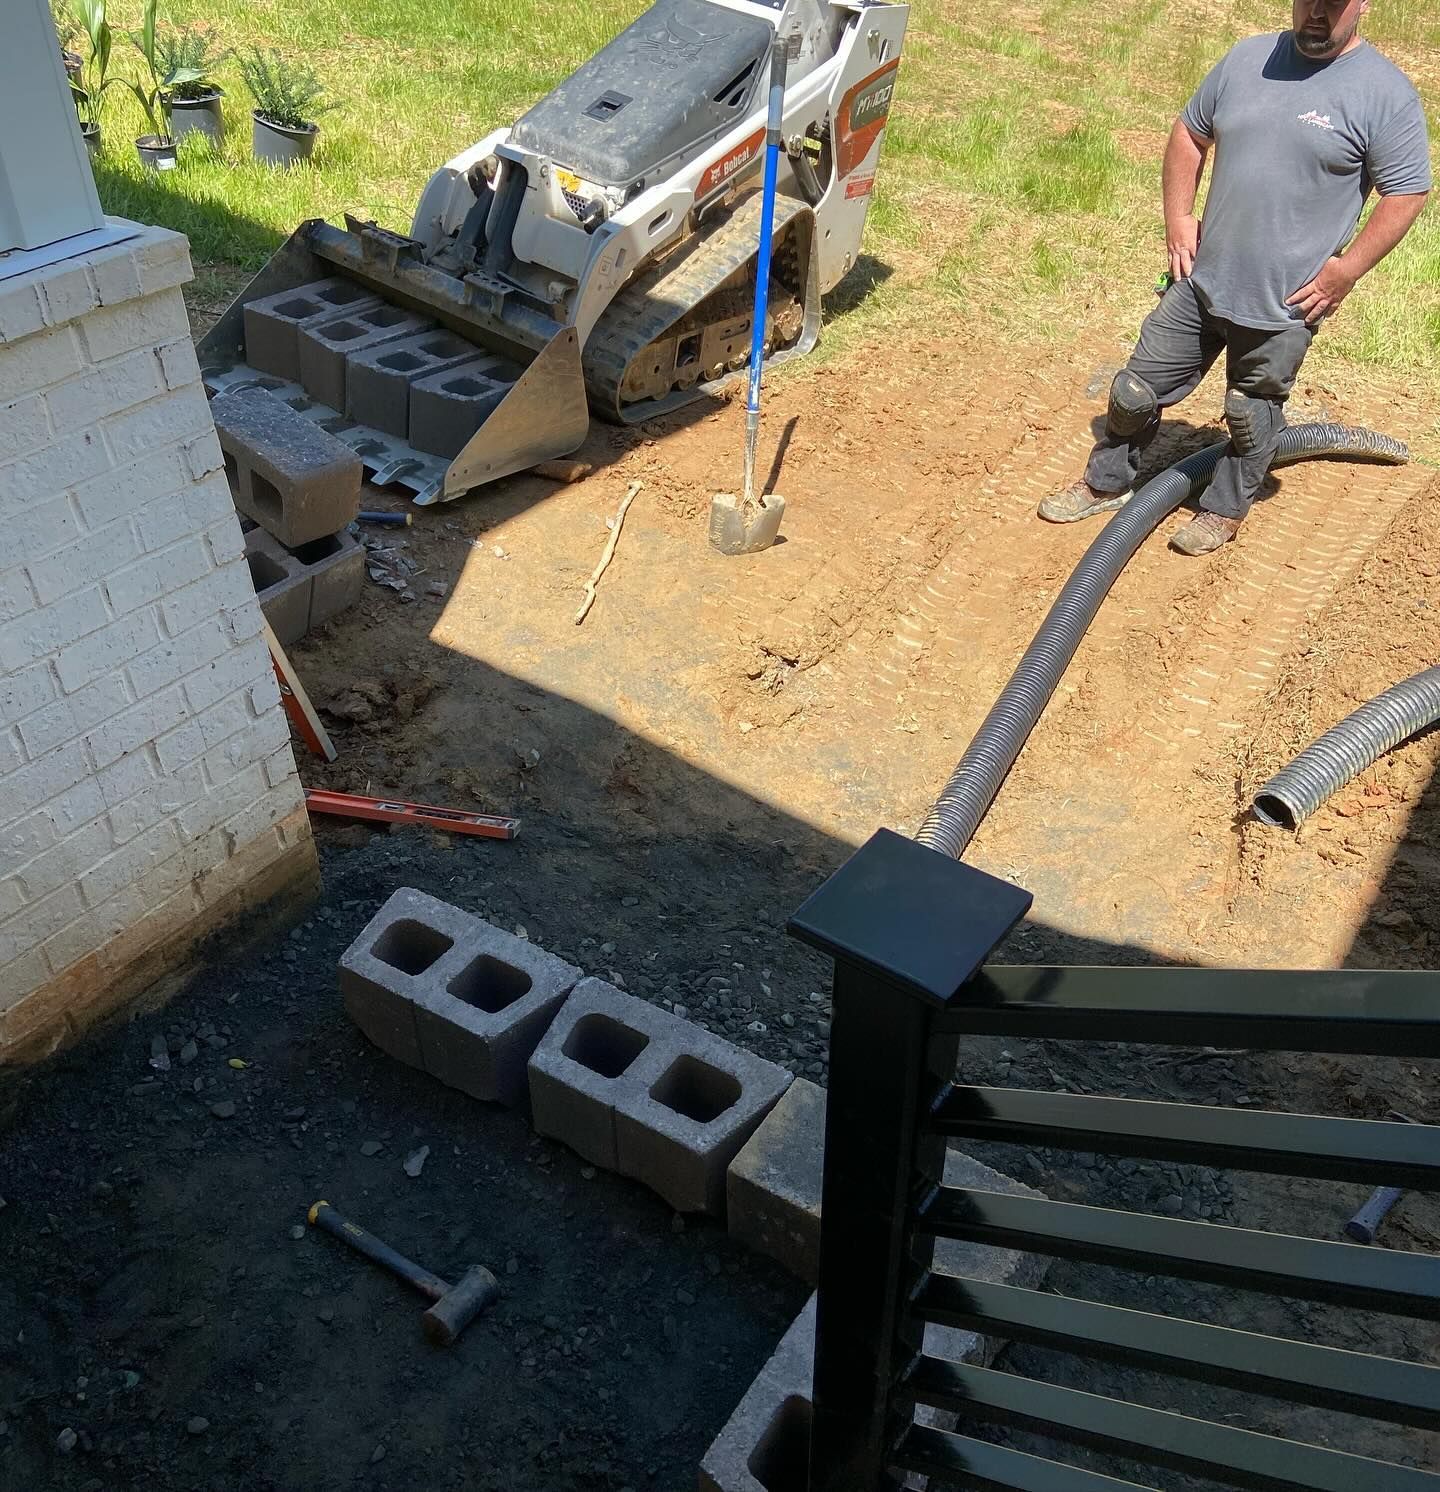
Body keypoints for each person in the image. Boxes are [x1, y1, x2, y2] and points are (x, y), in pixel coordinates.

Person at [1039, 0, 1430, 555]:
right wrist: (1178, 218)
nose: (1316, 14)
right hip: (1201, 280)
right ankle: (1105, 482)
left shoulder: (1384, 93)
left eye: (1332, 5)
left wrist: (1346, 271)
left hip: (1285, 301)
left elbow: (1407, 190)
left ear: (1361, 5)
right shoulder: (1248, 58)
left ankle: (1222, 510)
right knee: (1133, 392)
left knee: (1251, 413)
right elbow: (1189, 132)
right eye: (1307, 1)